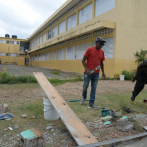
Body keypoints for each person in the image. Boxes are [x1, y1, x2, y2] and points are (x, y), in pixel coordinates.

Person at [80, 37, 106, 109]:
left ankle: (91, 104)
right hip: (88, 73)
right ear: (96, 42)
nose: (101, 45)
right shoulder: (89, 49)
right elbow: (83, 60)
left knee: (94, 88)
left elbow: (101, 63)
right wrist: (87, 69)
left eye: (103, 44)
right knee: (85, 86)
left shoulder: (102, 52)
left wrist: (103, 72)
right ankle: (84, 97)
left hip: (96, 73)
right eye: (100, 43)